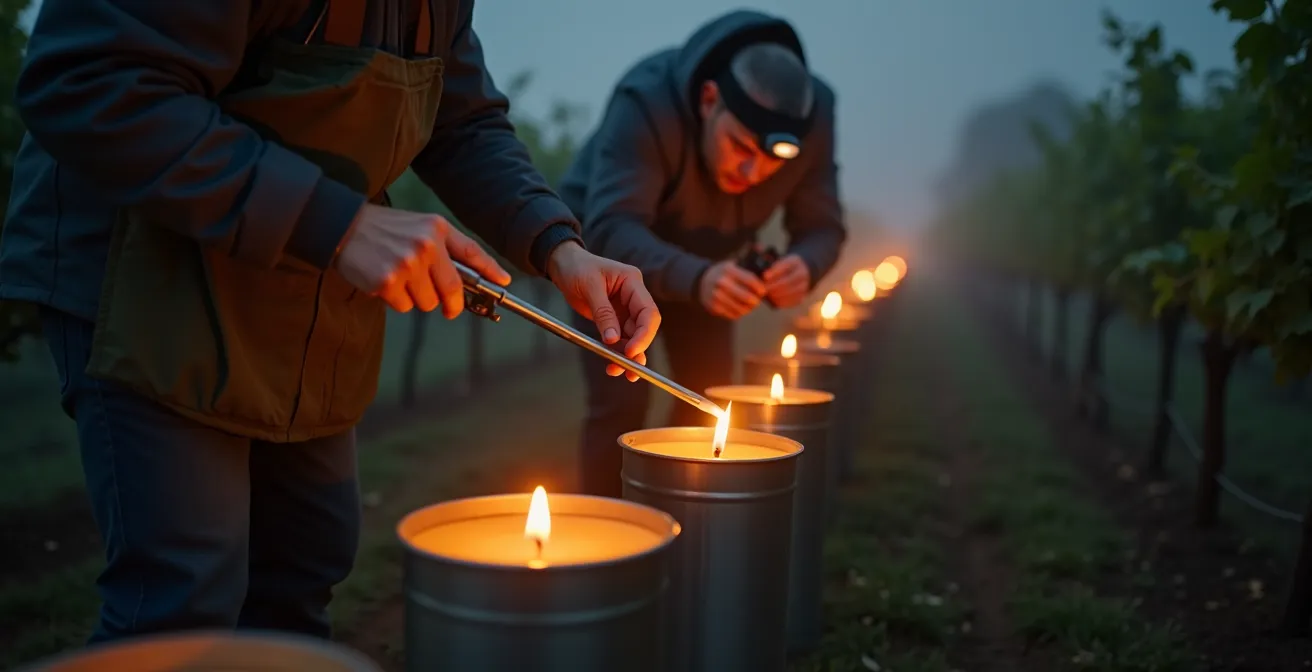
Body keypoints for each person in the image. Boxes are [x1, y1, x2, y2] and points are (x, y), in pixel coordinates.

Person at [0, 0, 661, 645]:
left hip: (300, 278)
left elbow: (460, 121)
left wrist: (557, 247)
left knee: (303, 564)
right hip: (146, 281)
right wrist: (338, 223)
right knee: (183, 599)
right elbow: (89, 82)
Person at [558, 10, 847, 497]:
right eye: (739, 146)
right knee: (620, 401)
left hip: (706, 271)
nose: (754, 172)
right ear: (709, 100)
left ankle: (685, 523)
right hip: (606, 264)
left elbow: (822, 226)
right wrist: (696, 277)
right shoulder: (648, 100)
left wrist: (806, 263)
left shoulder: (813, 118)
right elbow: (613, 225)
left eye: (774, 161)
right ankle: (608, 534)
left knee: (707, 395)